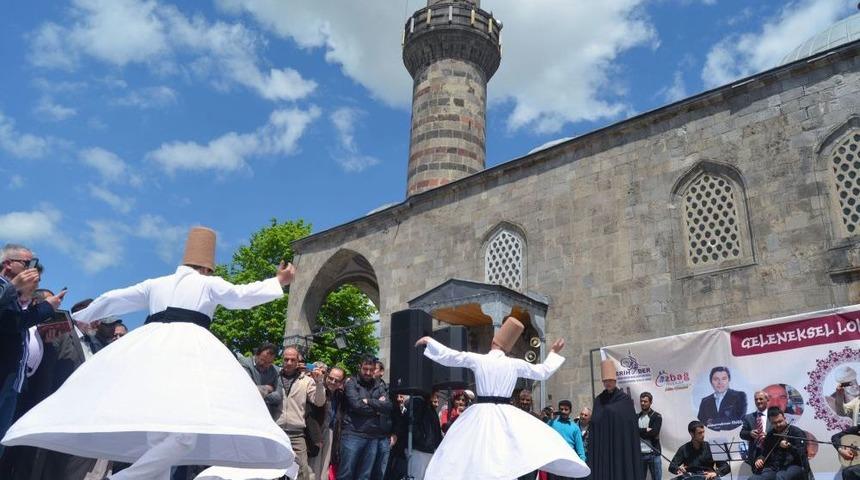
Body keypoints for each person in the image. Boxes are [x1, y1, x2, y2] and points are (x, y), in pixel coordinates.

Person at [2, 227, 297, 480]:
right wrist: (278, 282)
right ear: (208, 267)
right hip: (189, 352)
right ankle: (127, 477)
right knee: (182, 431)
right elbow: (241, 296)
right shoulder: (209, 283)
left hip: (150, 350)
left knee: (158, 427)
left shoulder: (156, 282)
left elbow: (115, 298)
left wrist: (84, 315)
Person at [415, 316, 590, 479]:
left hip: (480, 415)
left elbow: (452, 356)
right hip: (506, 415)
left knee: (472, 456)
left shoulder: (480, 359)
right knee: (504, 456)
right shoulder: (514, 364)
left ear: (493, 341)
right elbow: (543, 371)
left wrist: (430, 342)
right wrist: (553, 353)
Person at [0, 244, 63, 454]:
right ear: (8, 264)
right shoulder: (6, 290)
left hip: (12, 383)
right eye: (29, 264)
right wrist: (45, 307)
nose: (34, 270)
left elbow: (15, 323)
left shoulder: (12, 296)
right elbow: (13, 322)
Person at [338, 356, 393, 480]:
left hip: (372, 436)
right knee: (346, 474)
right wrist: (378, 408)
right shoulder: (351, 383)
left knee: (365, 476)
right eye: (365, 369)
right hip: (353, 434)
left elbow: (388, 406)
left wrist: (368, 401)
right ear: (359, 367)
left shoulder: (379, 385)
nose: (368, 373)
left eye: (371, 370)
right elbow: (356, 405)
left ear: (375, 370)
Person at [588, 358, 643, 480]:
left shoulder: (625, 400)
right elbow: (595, 422)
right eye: (605, 381)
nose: (607, 383)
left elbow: (630, 425)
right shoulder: (599, 400)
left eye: (610, 380)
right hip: (603, 446)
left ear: (615, 380)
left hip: (620, 445)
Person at [748, 407, 807, 480]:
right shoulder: (770, 435)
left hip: (793, 465)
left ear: (784, 418)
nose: (778, 425)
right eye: (774, 423)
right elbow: (765, 453)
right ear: (770, 422)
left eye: (780, 421)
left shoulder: (796, 432)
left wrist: (789, 446)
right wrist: (760, 459)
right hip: (774, 468)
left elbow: (802, 454)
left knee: (780, 476)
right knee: (753, 479)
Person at [309, 366, 345, 480]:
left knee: (325, 465)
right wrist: (315, 436)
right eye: (331, 378)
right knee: (313, 466)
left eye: (337, 380)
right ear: (327, 376)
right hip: (317, 430)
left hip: (331, 431)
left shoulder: (340, 394)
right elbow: (310, 415)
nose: (333, 382)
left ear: (341, 382)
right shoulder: (318, 388)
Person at [237, 343, 282, 419]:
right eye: (263, 360)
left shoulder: (276, 370)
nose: (266, 365)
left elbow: (278, 397)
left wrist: (258, 394)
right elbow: (247, 390)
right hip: (245, 413)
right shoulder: (244, 363)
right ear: (256, 354)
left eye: (269, 363)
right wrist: (268, 388)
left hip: (265, 416)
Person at [696, 366, 747, 431]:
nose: (720, 382)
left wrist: (713, 422)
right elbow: (701, 423)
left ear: (729, 380)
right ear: (711, 381)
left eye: (724, 379)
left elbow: (739, 419)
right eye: (716, 379)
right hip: (711, 436)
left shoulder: (739, 396)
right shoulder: (705, 401)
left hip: (734, 434)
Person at [547, 399, 586, 480]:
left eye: (566, 409)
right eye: (561, 409)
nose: (563, 411)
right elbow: (545, 434)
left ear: (570, 411)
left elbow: (580, 448)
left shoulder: (575, 427)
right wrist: (550, 419)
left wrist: (582, 462)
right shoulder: (552, 423)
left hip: (569, 463)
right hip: (554, 462)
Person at [741, 391, 771, 468]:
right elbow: (742, 434)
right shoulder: (748, 417)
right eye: (756, 399)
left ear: (767, 399)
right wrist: (749, 433)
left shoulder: (773, 415)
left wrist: (768, 435)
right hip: (755, 454)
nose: (758, 401)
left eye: (761, 399)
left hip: (771, 452)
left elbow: (780, 431)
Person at [638, 392, 662, 480]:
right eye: (641, 401)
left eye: (645, 401)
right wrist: (645, 430)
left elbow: (654, 433)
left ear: (651, 402)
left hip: (654, 454)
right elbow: (632, 432)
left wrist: (639, 432)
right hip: (640, 454)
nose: (643, 403)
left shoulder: (657, 416)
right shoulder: (636, 416)